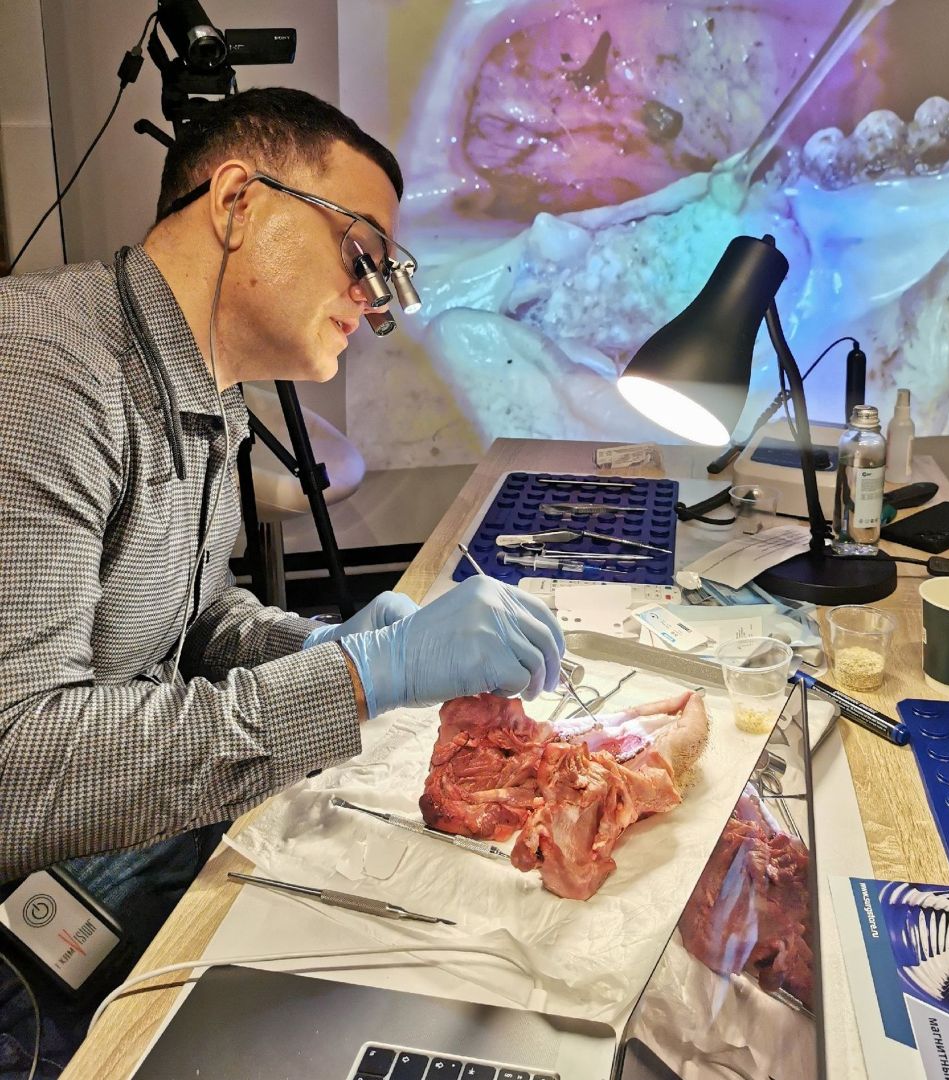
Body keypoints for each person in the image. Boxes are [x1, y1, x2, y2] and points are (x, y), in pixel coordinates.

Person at [0, 86, 564, 1074]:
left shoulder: (206, 394)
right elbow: (20, 766)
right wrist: (361, 678)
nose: (375, 301)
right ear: (236, 203)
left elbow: (189, 618)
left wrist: (320, 644)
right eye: (362, 254)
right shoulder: (45, 371)